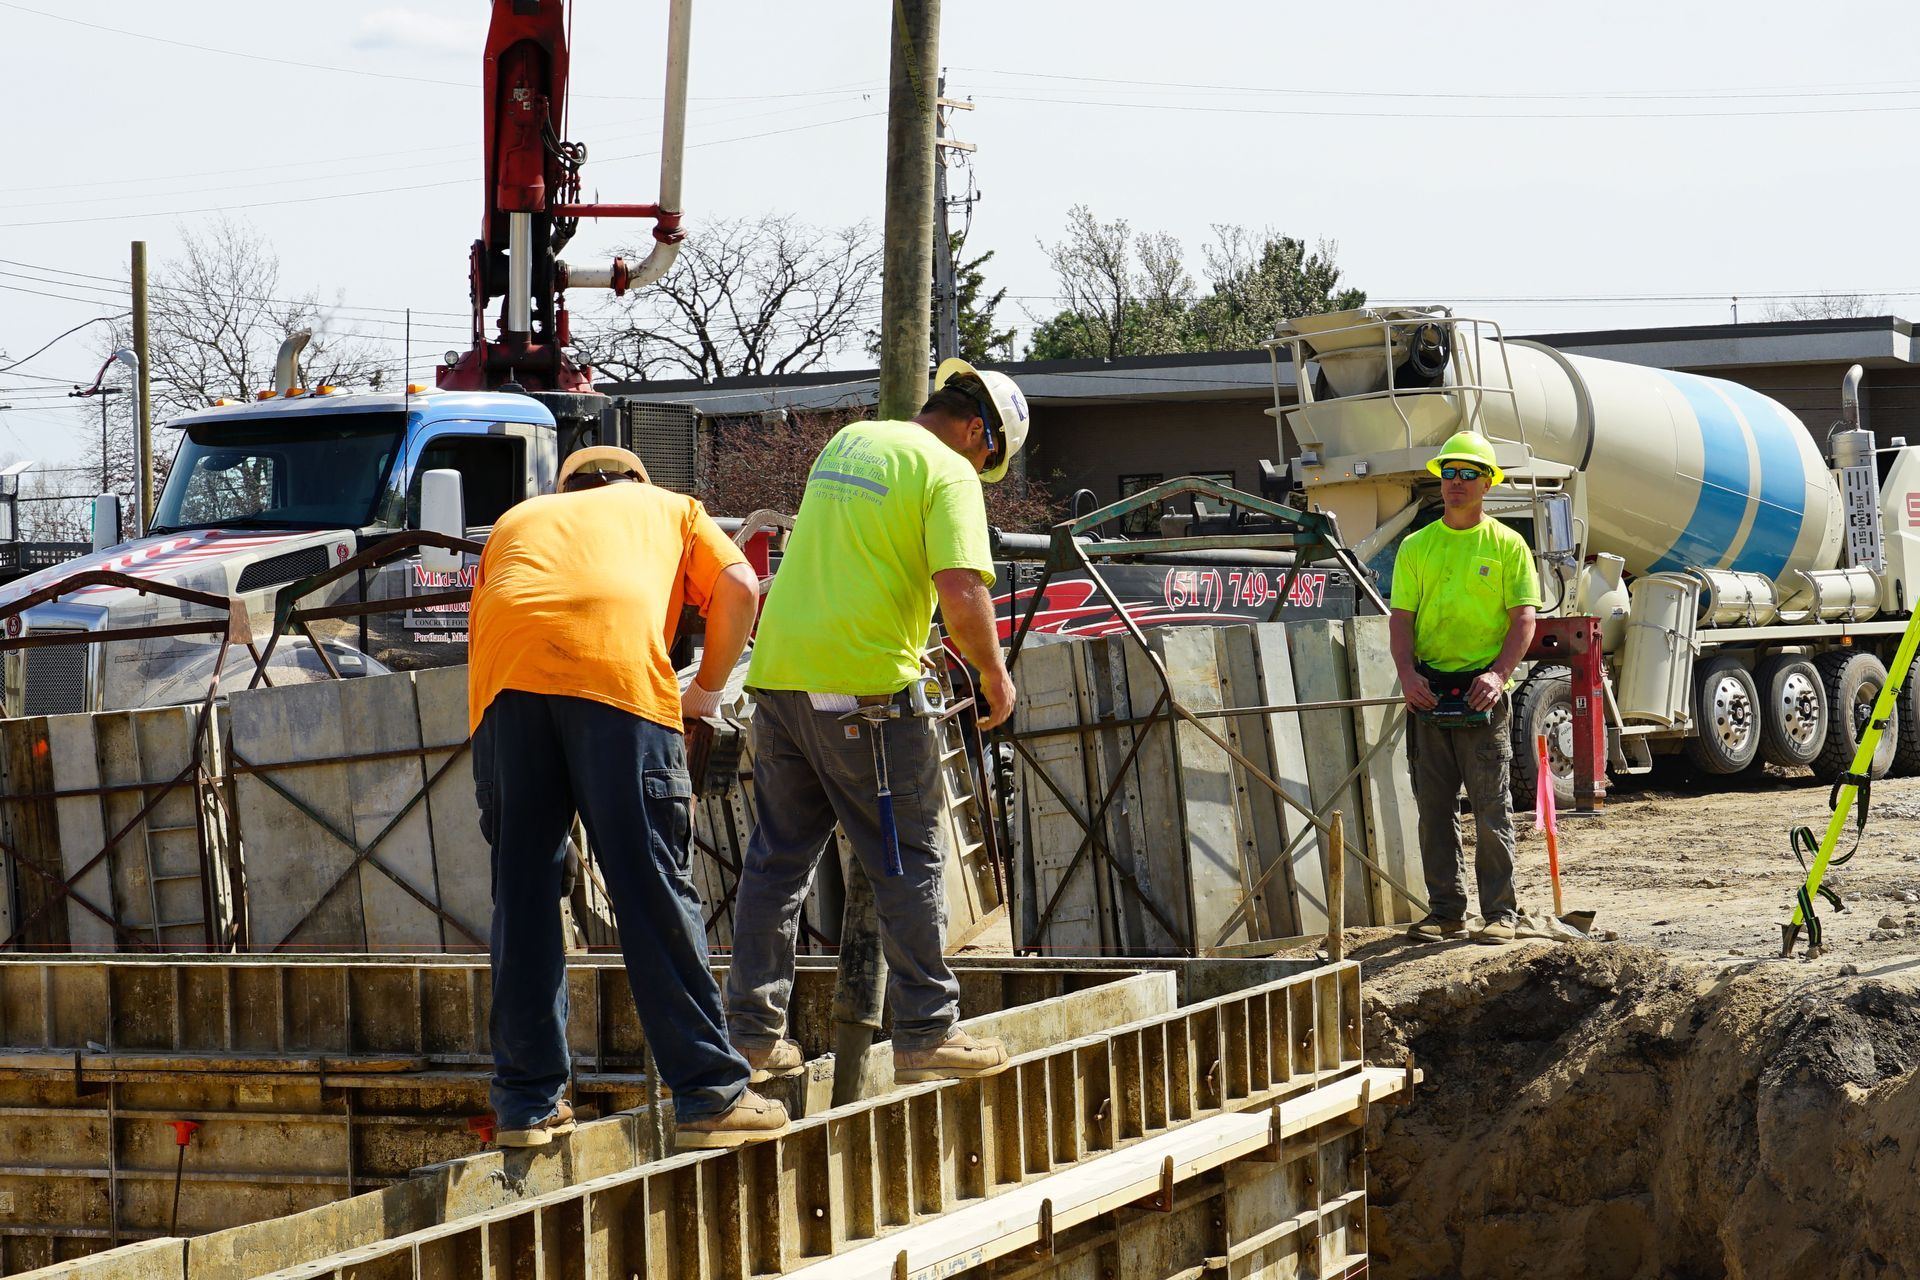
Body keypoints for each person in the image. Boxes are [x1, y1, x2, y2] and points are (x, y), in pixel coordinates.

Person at [469, 444, 789, 1149]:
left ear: (567, 488)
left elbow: (496, 617)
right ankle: (708, 1093)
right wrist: (705, 688)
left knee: (521, 899)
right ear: (639, 481)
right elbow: (740, 584)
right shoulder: (672, 509)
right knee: (648, 887)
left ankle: (527, 1104)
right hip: (615, 678)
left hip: (504, 690)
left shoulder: (519, 519)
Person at [724, 358, 1029, 1084]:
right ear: (979, 431)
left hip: (779, 680)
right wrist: (993, 673)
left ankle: (752, 1033)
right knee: (907, 856)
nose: (982, 468)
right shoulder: (948, 474)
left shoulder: (850, 442)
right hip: (864, 694)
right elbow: (959, 591)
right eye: (990, 458)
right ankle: (927, 1030)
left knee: (776, 861)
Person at [1388, 430, 1541, 946]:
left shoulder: (1507, 546)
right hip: (1429, 692)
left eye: (1468, 473)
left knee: (1492, 804)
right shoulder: (1417, 546)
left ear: (1487, 482)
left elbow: (1523, 619)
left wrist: (1497, 675)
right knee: (1434, 808)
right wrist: (1408, 676)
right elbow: (1402, 618)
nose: (1456, 483)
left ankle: (1500, 913)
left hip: (1483, 694)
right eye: (1449, 473)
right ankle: (1446, 911)